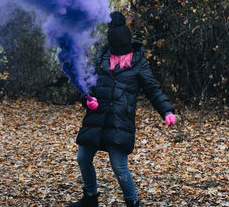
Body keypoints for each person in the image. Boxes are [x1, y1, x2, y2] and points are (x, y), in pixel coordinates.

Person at [69, 11, 176, 207]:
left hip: (120, 121)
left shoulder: (138, 62)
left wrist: (166, 111)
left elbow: (152, 89)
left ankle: (132, 203)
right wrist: (87, 99)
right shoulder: (102, 56)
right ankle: (90, 197)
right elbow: (88, 86)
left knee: (119, 167)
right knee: (83, 157)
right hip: (97, 118)